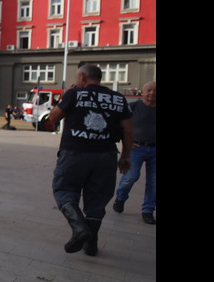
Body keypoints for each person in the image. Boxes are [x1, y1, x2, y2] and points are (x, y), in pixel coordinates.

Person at [48, 64, 133, 256]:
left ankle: (79, 227)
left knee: (64, 190)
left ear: (83, 78)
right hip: (106, 155)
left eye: (78, 78)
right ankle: (91, 245)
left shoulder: (74, 94)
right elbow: (128, 130)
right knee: (97, 199)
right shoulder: (119, 98)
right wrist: (126, 155)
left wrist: (69, 95)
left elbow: (53, 118)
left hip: (75, 154)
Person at [113, 81, 156, 224]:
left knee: (154, 182)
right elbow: (117, 124)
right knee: (131, 176)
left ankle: (148, 211)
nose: (152, 93)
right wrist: (126, 142)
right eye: (149, 90)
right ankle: (121, 197)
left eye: (155, 90)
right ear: (142, 93)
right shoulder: (133, 107)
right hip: (137, 148)